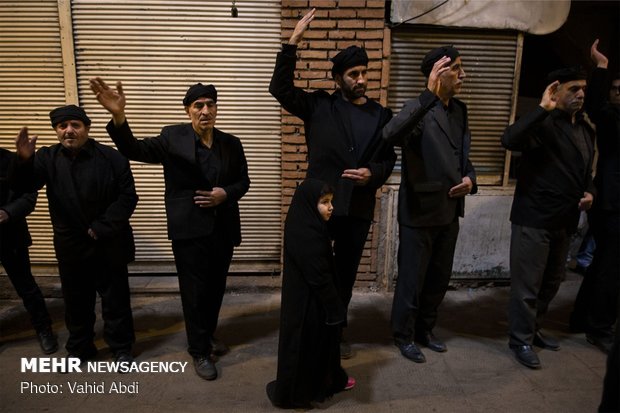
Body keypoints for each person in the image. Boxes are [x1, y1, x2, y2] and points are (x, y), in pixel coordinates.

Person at [90, 78, 250, 380]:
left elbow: (243, 181)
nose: (205, 111)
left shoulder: (231, 143)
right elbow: (133, 149)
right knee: (194, 292)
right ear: (188, 110)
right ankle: (199, 351)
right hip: (189, 230)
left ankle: (207, 333)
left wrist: (225, 194)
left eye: (210, 104)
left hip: (223, 229)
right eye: (198, 106)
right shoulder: (172, 138)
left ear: (216, 108)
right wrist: (119, 116)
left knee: (215, 288)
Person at [269, 8, 396, 358]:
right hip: (322, 207)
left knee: (345, 273)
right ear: (338, 77)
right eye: (353, 73)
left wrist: (374, 174)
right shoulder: (318, 106)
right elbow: (278, 88)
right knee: (316, 268)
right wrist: (292, 43)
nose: (360, 79)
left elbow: (389, 160)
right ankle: (313, 324)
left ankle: (336, 329)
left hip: (357, 207)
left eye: (364, 72)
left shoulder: (381, 115)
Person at [13, 105, 138, 364]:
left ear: (87, 128)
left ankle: (121, 348)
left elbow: (128, 197)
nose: (68, 131)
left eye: (75, 125)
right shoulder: (47, 157)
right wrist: (25, 161)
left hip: (109, 240)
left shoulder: (111, 157)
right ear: (56, 130)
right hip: (70, 244)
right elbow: (25, 186)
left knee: (115, 299)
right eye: (62, 126)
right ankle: (80, 348)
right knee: (76, 300)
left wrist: (102, 226)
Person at [382, 46, 477, 363]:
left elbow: (463, 156)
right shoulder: (419, 109)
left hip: (449, 212)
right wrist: (427, 95)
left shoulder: (461, 110)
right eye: (457, 69)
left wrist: (471, 179)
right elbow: (390, 135)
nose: (463, 75)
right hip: (419, 212)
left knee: (438, 279)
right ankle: (404, 335)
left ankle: (425, 329)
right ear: (438, 73)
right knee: (412, 280)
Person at [502, 66, 595, 369]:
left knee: (552, 282)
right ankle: (520, 340)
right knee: (527, 286)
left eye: (583, 88)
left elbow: (585, 171)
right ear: (555, 91)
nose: (580, 94)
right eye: (573, 89)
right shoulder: (542, 124)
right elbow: (510, 139)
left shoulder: (584, 128)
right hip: (534, 218)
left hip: (565, 220)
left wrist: (590, 191)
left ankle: (534, 328)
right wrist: (542, 108)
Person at [266, 179, 354, 409]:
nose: (331, 207)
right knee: (303, 347)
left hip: (309, 299)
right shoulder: (306, 233)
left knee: (317, 345)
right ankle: (298, 395)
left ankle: (325, 382)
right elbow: (319, 277)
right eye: (324, 202)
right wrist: (335, 308)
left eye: (331, 202)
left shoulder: (306, 223)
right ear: (309, 204)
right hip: (306, 304)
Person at [570, 39, 620, 354]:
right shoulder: (612, 118)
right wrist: (600, 67)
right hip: (612, 205)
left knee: (604, 262)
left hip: (612, 203)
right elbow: (596, 105)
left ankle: (581, 319)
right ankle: (599, 328)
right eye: (616, 88)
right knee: (611, 268)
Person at [1, 147, 58, 354]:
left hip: (9, 235)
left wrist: (7, 212)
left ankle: (44, 328)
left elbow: (28, 195)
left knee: (26, 285)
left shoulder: (11, 160)